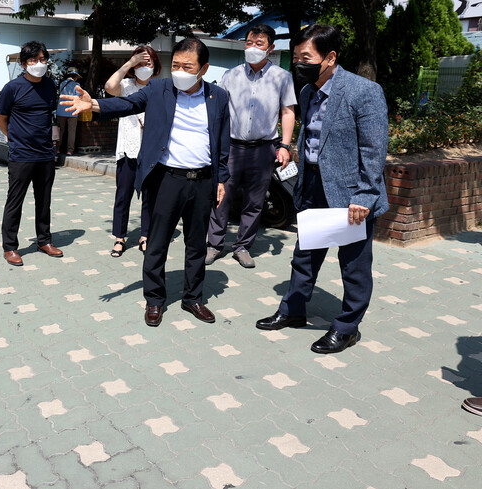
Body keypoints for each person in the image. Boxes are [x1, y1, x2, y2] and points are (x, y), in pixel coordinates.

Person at [61, 38, 230, 327]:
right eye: (175, 65)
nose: (179, 71)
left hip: (202, 180)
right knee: (156, 243)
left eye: (187, 66)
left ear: (204, 68)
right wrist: (95, 105)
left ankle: (193, 298)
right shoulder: (159, 88)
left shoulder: (218, 96)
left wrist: (221, 179)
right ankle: (154, 300)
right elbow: (126, 103)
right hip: (166, 179)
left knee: (196, 245)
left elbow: (222, 140)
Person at [254, 24, 389, 354]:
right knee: (305, 253)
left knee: (353, 265)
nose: (299, 63)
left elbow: (374, 149)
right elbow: (311, 136)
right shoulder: (307, 91)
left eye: (306, 57)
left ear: (329, 57)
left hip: (350, 192)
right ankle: (293, 310)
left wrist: (365, 195)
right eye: (297, 56)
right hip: (313, 183)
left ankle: (347, 327)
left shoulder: (363, 91)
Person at [206, 24, 297, 269]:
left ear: (271, 48)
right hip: (232, 148)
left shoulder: (282, 77)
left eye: (259, 43)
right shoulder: (231, 75)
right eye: (249, 42)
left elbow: (288, 111)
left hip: (263, 149)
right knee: (221, 197)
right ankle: (214, 244)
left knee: (255, 201)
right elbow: (219, 112)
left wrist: (285, 146)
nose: (253, 47)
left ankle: (242, 246)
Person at [0, 41, 63, 267]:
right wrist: (13, 138)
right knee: (15, 202)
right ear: (24, 64)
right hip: (21, 155)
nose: (39, 64)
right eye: (33, 60)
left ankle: (44, 240)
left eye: (42, 59)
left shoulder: (50, 85)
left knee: (44, 201)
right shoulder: (12, 88)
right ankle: (10, 247)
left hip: (45, 153)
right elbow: (0, 119)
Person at [103, 46, 161, 257]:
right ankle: (119, 237)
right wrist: (129, 63)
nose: (144, 67)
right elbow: (109, 87)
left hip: (152, 152)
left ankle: (146, 235)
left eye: (148, 63)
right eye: (140, 63)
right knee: (123, 195)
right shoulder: (126, 85)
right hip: (128, 149)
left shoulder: (161, 88)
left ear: (155, 66)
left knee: (150, 196)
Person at [56, 68, 82, 159]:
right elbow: (79, 97)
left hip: (61, 110)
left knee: (60, 131)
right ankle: (70, 150)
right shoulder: (77, 85)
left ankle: (57, 149)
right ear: (75, 77)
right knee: (72, 131)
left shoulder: (62, 84)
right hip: (72, 111)